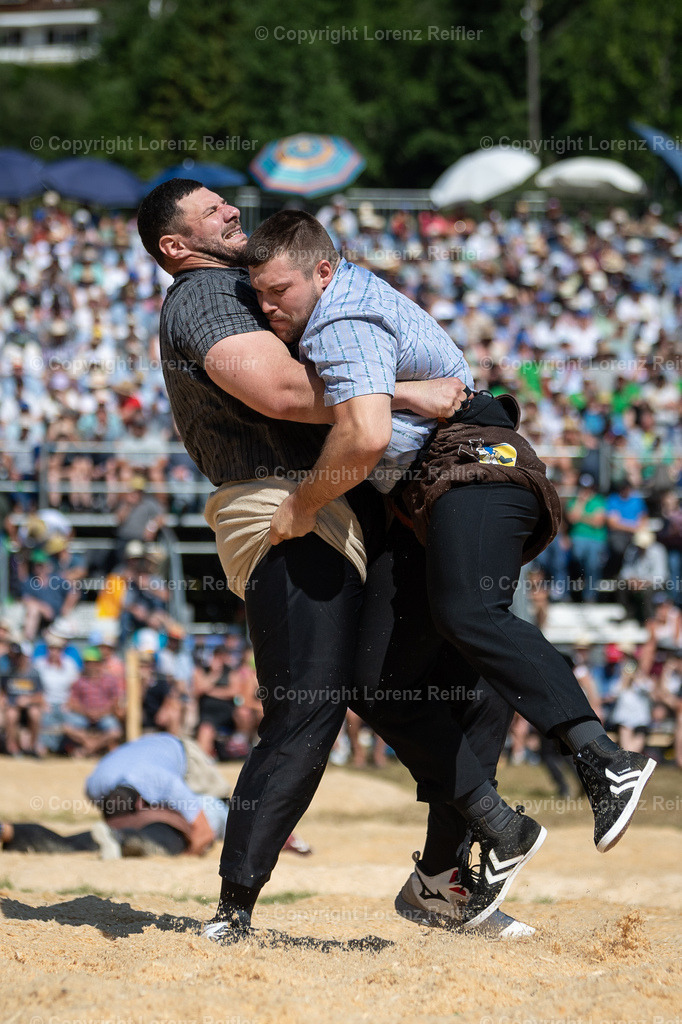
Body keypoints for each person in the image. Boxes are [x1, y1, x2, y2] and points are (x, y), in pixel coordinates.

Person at [137, 179, 542, 943]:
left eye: (229, 202)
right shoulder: (202, 293)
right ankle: (235, 908)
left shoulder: (256, 279)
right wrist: (408, 393)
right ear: (175, 245)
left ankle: (443, 880)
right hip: (280, 505)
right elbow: (286, 392)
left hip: (343, 498)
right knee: (308, 705)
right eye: (212, 210)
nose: (231, 210)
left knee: (466, 673)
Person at [243, 210, 656, 858]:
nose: (268, 307)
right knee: (378, 682)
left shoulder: (337, 317)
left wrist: (299, 506)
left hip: (475, 468)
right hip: (436, 493)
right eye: (260, 294)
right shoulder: (340, 304)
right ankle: (489, 835)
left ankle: (604, 759)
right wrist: (407, 392)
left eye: (278, 292)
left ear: (322, 271)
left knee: (468, 611)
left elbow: (365, 433)